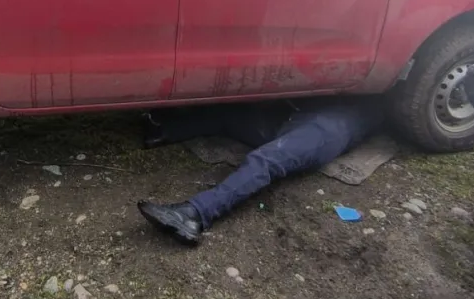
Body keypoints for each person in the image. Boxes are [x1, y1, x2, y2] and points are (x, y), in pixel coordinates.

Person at [137, 97, 385, 245]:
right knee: (229, 114)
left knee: (265, 160)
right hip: (296, 113)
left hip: (329, 125)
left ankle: (194, 216)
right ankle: (160, 130)